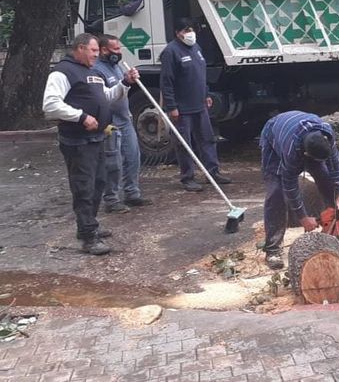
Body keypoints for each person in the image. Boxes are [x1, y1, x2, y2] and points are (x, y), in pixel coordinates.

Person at [42, 33, 140, 255]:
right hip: (77, 141)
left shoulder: (91, 72)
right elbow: (50, 105)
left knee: (99, 183)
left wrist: (125, 83)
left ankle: (88, 225)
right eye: (94, 51)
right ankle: (88, 237)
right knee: (83, 187)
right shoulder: (62, 72)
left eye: (98, 51)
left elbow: (106, 96)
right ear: (80, 48)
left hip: (97, 138)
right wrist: (81, 116)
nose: (98, 55)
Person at [259, 111, 339, 270]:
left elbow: (334, 163)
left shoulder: (326, 134)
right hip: (274, 137)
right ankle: (273, 249)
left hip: (304, 139)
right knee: (276, 192)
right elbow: (290, 186)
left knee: (326, 178)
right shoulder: (291, 151)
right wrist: (303, 218)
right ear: (306, 154)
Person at [160, 18, 232, 191]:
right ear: (177, 33)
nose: (189, 33)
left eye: (191, 29)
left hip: (199, 105)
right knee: (185, 143)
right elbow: (166, 82)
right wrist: (172, 107)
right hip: (182, 108)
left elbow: (201, 74)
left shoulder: (196, 48)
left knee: (208, 139)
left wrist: (206, 94)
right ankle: (188, 177)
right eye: (185, 30)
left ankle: (212, 172)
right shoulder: (170, 52)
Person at [93, 35, 152, 213]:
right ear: (104, 50)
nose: (119, 53)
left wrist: (129, 79)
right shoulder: (97, 70)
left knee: (133, 157)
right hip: (110, 123)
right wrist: (124, 82)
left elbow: (122, 90)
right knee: (113, 163)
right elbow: (104, 98)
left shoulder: (116, 67)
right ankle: (111, 199)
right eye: (116, 49)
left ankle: (132, 193)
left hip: (125, 120)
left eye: (120, 49)